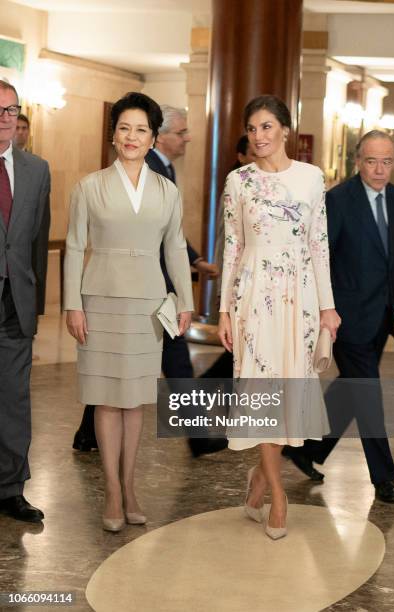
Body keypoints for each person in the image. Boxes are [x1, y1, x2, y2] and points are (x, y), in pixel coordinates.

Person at [64, 93, 194, 531]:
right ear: (114, 134)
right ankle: (113, 492)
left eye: (141, 129)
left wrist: (187, 302)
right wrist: (71, 304)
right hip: (99, 302)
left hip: (147, 305)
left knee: (136, 401)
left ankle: (131, 484)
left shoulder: (167, 190)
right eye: (124, 128)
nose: (132, 136)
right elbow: (76, 247)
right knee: (106, 398)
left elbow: (175, 247)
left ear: (153, 137)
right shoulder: (89, 186)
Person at [218, 94, 340, 539]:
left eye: (267, 127)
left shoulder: (311, 179)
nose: (259, 136)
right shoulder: (238, 182)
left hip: (300, 297)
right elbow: (232, 247)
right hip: (254, 296)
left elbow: (318, 246)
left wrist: (327, 306)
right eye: (252, 129)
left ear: (285, 130)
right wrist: (225, 309)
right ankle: (278, 494)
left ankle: (258, 480)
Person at [73, 105, 226, 458]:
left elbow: (170, 234)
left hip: (156, 287)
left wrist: (193, 263)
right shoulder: (146, 167)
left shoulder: (162, 172)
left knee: (150, 362)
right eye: (182, 132)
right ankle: (196, 432)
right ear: (163, 134)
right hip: (142, 288)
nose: (187, 139)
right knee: (167, 360)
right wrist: (191, 267)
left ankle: (89, 432)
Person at [283, 130, 394, 503]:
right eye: (372, 161)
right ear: (358, 161)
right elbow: (321, 259)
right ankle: (383, 477)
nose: (380, 169)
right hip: (346, 318)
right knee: (367, 393)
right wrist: (324, 310)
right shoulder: (338, 200)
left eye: (387, 161)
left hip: (381, 314)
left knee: (353, 389)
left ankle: (307, 449)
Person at [0, 80, 50, 523]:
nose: (5, 118)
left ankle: (11, 488)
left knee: (14, 399)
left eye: (11, 110)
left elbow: (36, 243)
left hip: (15, 303)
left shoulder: (36, 170)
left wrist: (36, 307)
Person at [203, 135, 257, 379]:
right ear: (242, 157)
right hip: (239, 284)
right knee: (239, 347)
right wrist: (221, 293)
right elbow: (227, 240)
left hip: (258, 284)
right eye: (253, 154)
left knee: (242, 348)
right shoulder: (234, 186)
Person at [12, 113, 50, 318]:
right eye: (16, 127)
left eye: (24, 128)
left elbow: (41, 227)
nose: (20, 132)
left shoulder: (39, 168)